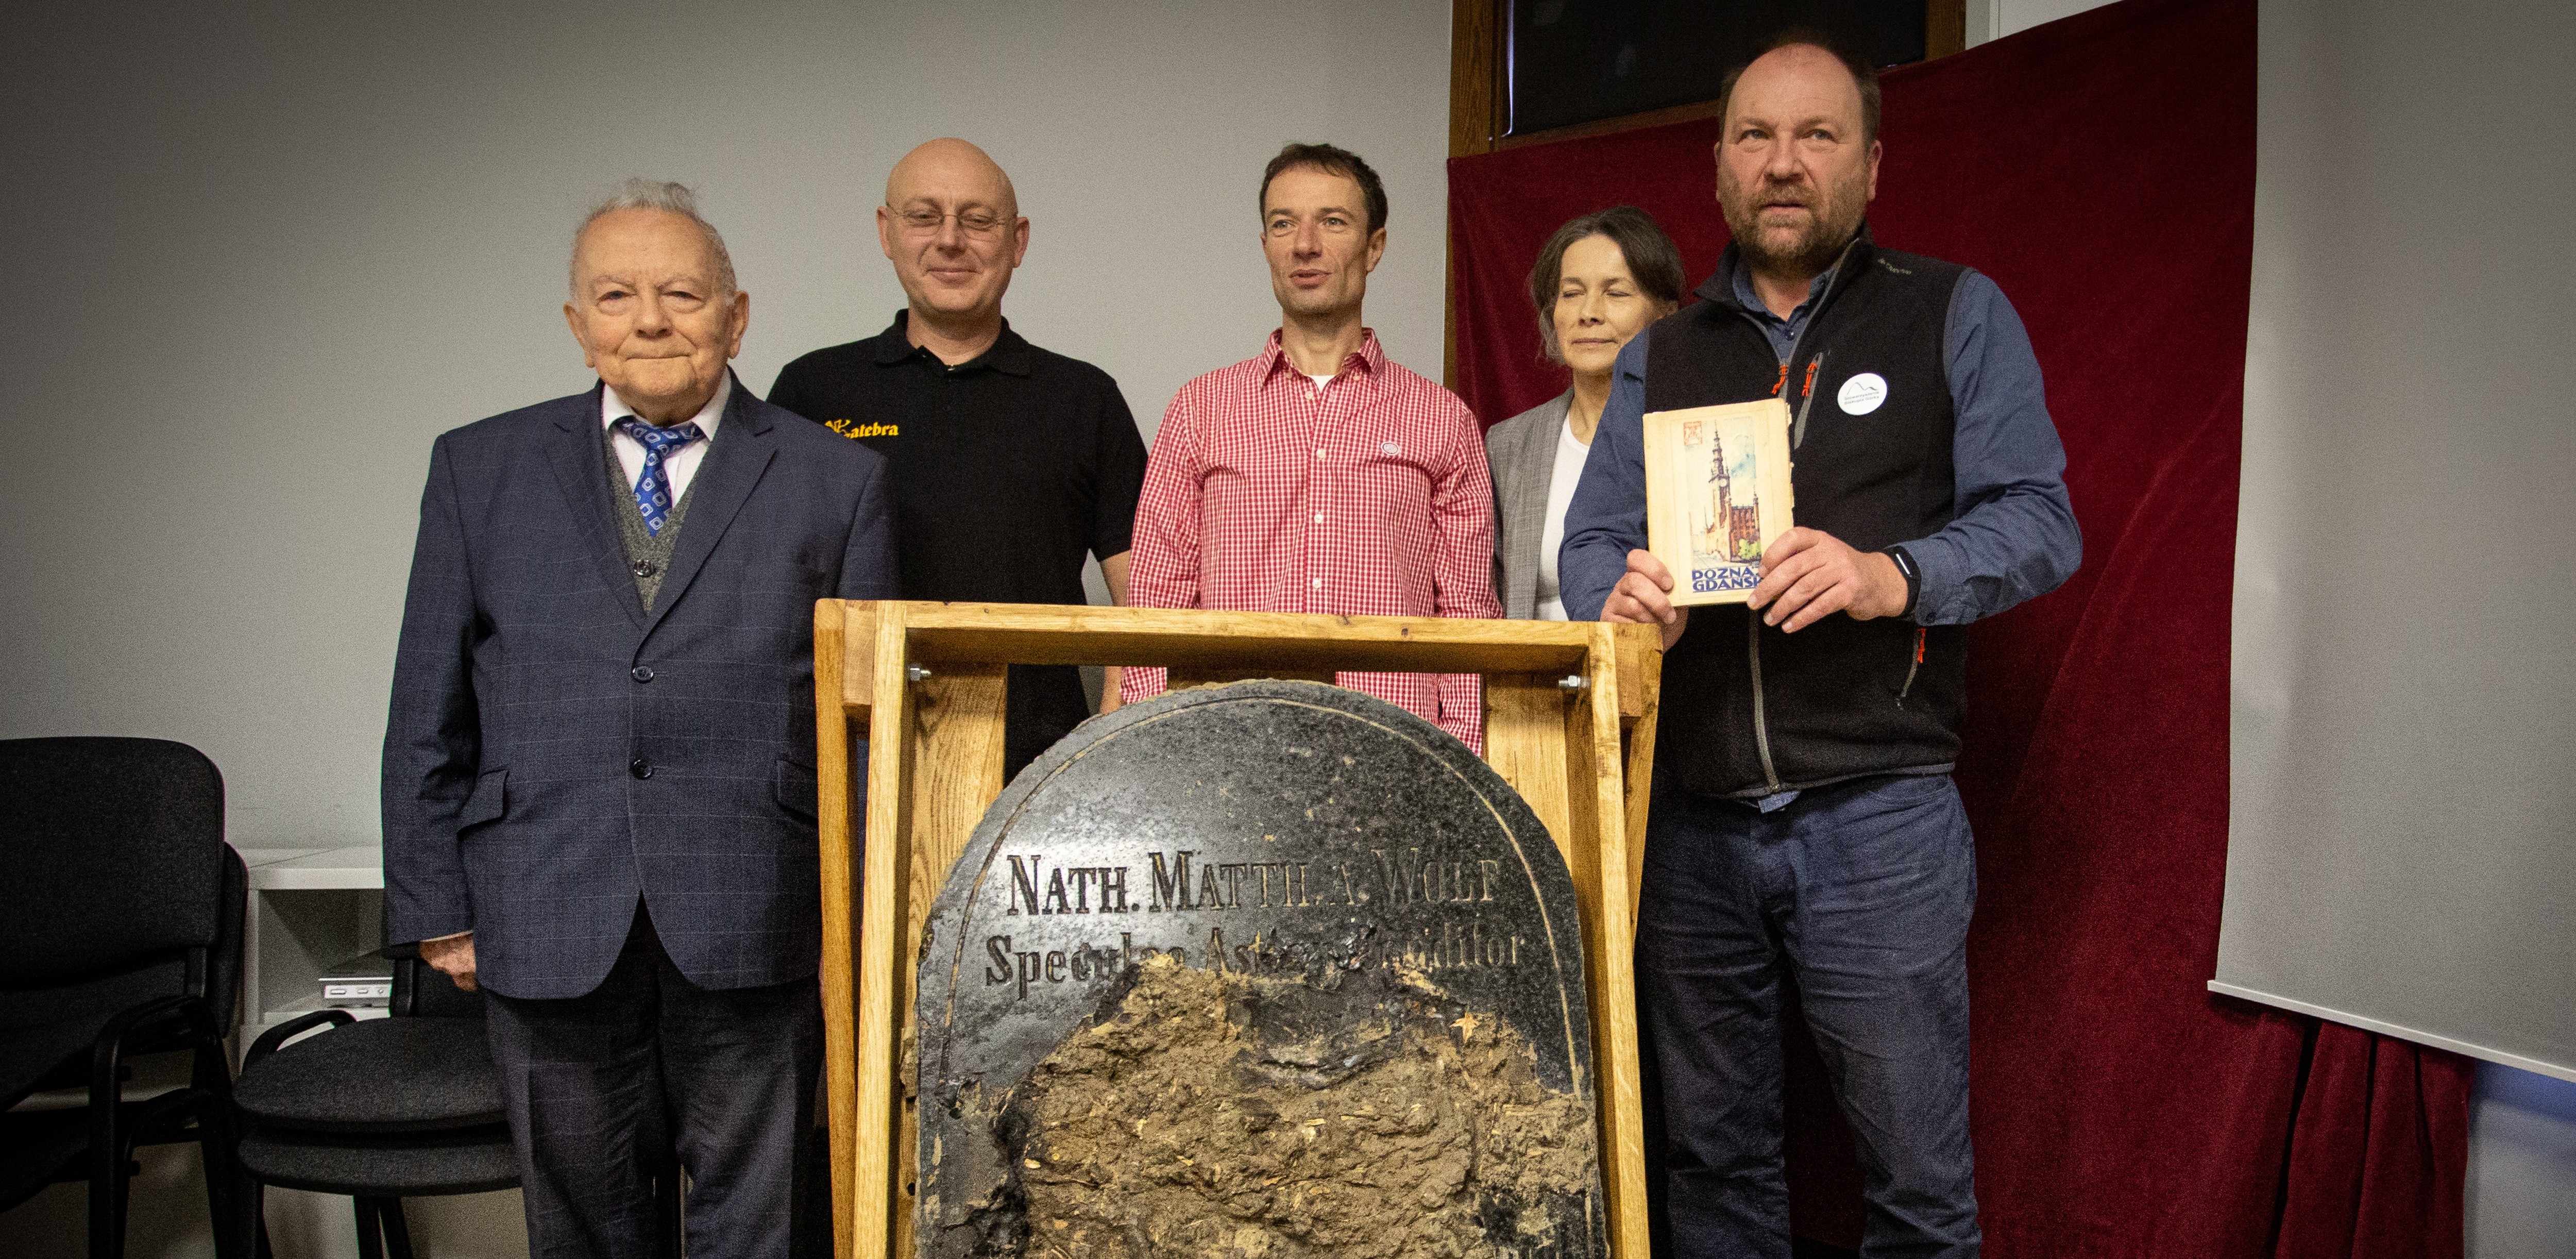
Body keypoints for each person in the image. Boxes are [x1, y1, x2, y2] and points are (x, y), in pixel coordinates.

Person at [1559, 33, 2082, 1258]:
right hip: (1689, 825)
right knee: (1713, 1169)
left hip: (1880, 821)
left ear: (1871, 165)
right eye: (1755, 136)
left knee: (1915, 1184)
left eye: (1816, 136)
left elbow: (2040, 520)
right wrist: (1621, 597)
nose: (1782, 163)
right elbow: (1589, 545)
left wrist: (1890, 574)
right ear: (1719, 165)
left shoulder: (1951, 310)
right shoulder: (1660, 353)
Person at [382, 180, 896, 1258]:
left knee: (755, 1223)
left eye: (682, 294)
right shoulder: (478, 468)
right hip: (543, 901)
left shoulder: (838, 480)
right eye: (617, 296)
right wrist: (438, 903)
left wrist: (857, 920)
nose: (651, 320)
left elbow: (865, 732)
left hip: (762, 910)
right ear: (579, 325)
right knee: (581, 1224)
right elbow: (428, 703)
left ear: (736, 317)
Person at [770, 138, 1147, 777]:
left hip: (1039, 773)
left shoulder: (1084, 399)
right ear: (886, 232)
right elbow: (768, 592)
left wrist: (1112, 731)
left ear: (1017, 241)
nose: (949, 240)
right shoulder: (812, 391)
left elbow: (1148, 591)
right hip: (854, 760)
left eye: (977, 220)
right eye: (924, 217)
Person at [1118, 143, 1502, 749]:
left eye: (1332, 221)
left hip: (1392, 747)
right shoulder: (1200, 409)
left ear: (1374, 247)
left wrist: (1458, 758)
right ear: (1265, 245)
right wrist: (1154, 746)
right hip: (1232, 747)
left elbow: (1466, 615)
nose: (1304, 244)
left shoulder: (1441, 418)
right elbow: (1156, 601)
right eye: (1283, 224)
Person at [1485, 207, 1686, 620]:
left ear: (1666, 315)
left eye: (1616, 293)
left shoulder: (1689, 433)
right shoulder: (1509, 443)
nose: (1588, 312)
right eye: (1572, 293)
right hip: (1536, 662)